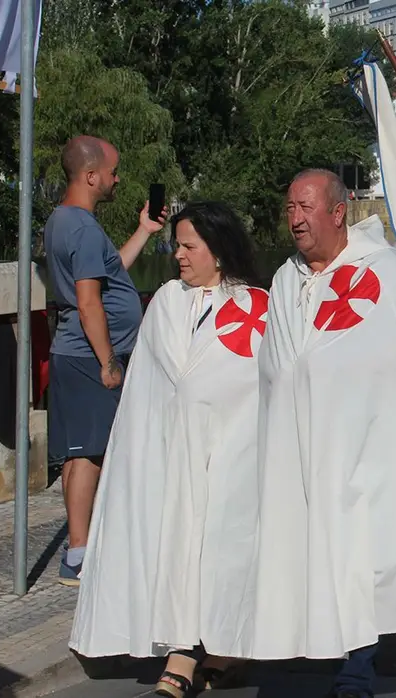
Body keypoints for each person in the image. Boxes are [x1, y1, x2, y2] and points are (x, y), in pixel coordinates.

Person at [249, 169, 396, 698]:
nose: (295, 218)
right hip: (296, 444)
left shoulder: (381, 274)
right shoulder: (287, 277)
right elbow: (276, 361)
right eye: (289, 208)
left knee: (359, 557)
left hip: (363, 449)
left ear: (338, 212)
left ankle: (358, 669)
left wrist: (331, 386)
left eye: (306, 207)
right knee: (305, 550)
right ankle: (305, 648)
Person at [69, 202, 263, 697]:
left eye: (187, 246)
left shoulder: (257, 306)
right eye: (176, 244)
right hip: (170, 457)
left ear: (217, 252)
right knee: (176, 551)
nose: (176, 254)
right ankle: (181, 653)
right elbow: (149, 390)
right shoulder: (167, 303)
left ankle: (222, 648)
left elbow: (256, 384)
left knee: (222, 557)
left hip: (231, 456)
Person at [44, 135, 164, 585]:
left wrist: (145, 232)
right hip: (87, 355)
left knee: (79, 453)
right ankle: (78, 554)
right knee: (89, 453)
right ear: (91, 176)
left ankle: (81, 543)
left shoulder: (65, 221)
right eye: (112, 172)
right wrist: (108, 362)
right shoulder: (81, 228)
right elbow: (90, 302)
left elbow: (110, 272)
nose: (117, 179)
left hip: (74, 352)